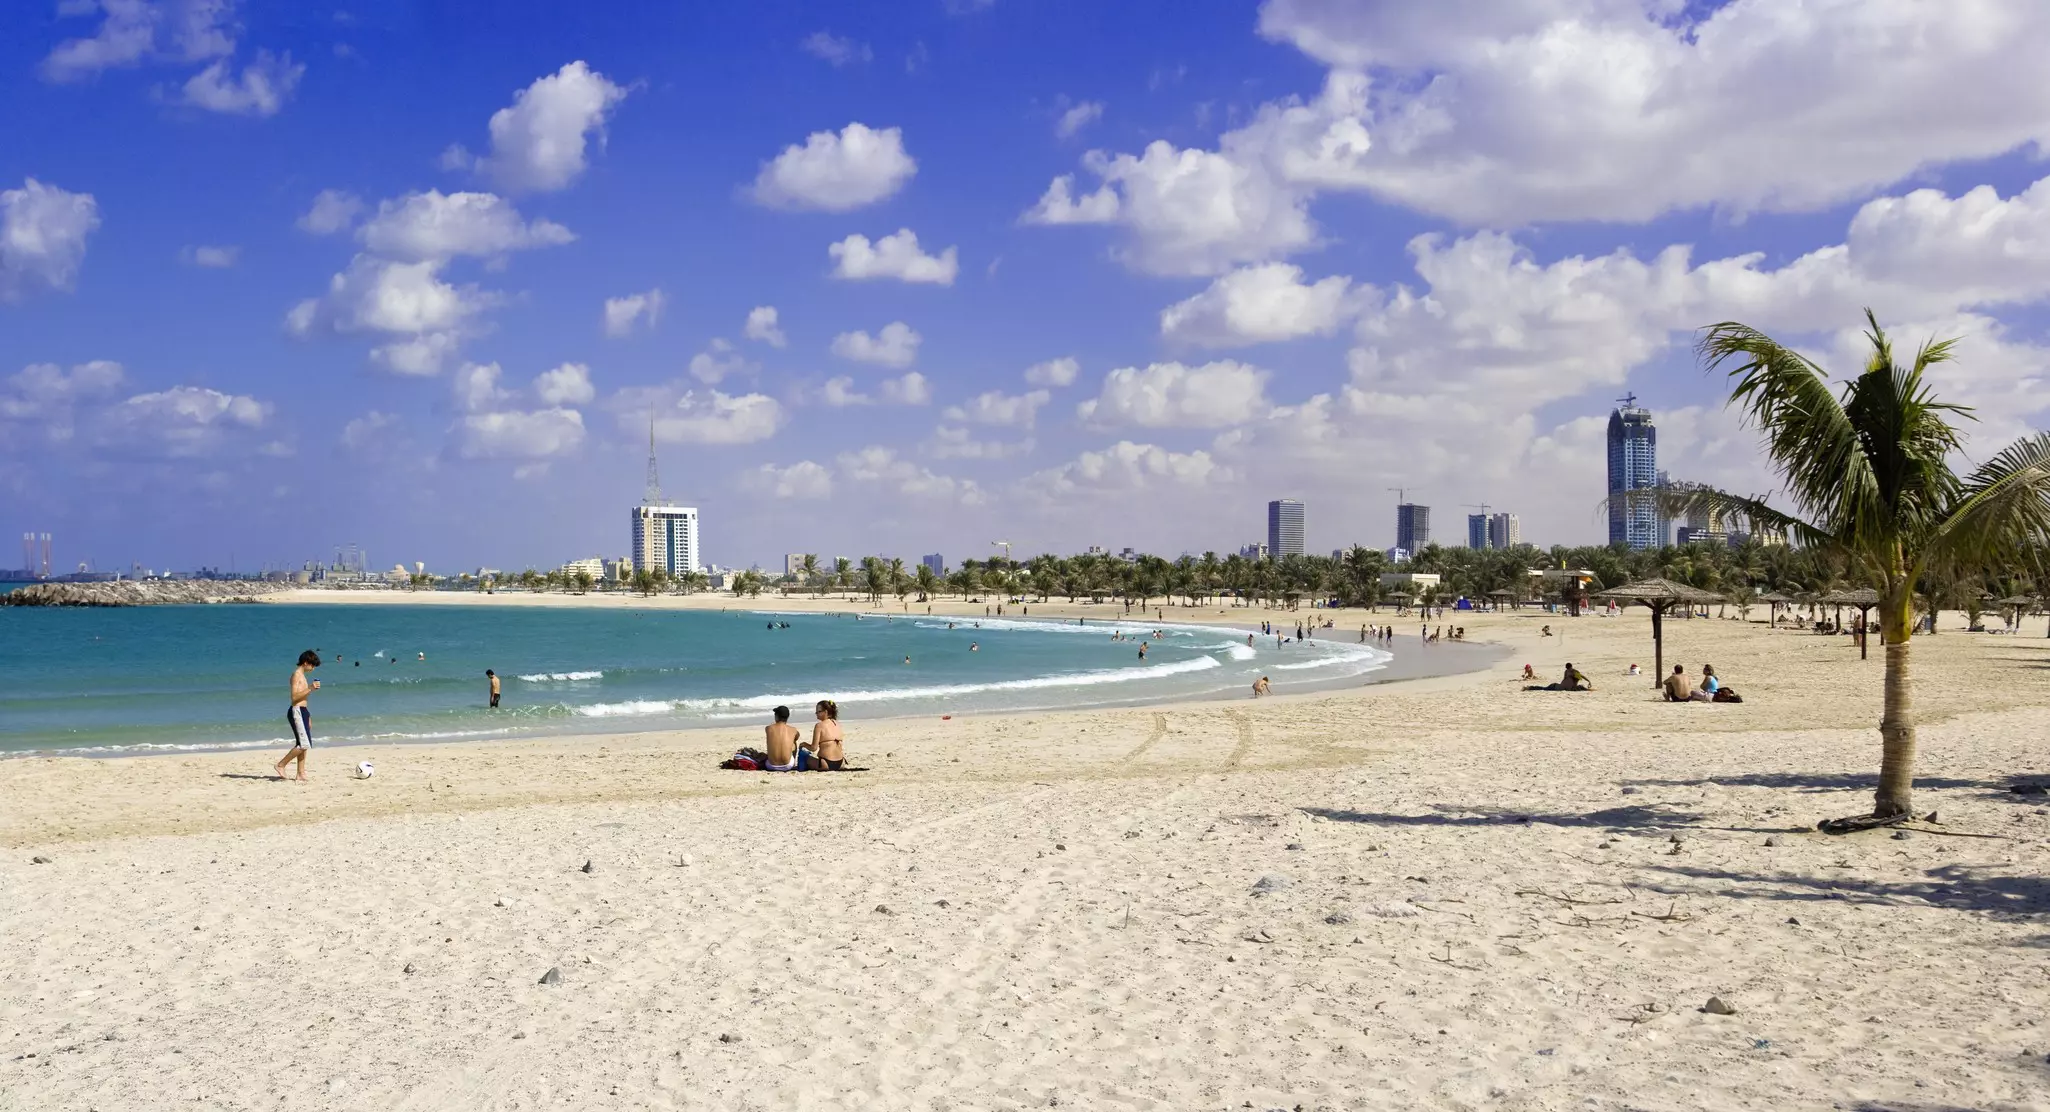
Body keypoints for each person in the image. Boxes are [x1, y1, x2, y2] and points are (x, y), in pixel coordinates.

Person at [274, 650, 321, 781]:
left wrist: (308, 715)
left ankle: (300, 773)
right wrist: (310, 688)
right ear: (306, 662)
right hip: (297, 710)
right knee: (304, 744)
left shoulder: (302, 675)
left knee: (302, 743)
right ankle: (280, 765)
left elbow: (302, 698)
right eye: (312, 665)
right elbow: (294, 697)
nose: (313, 668)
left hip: (303, 711)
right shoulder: (296, 675)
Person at [764, 705, 800, 772]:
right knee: (794, 741)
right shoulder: (793, 730)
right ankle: (793, 761)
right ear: (787, 717)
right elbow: (797, 736)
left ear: (776, 716)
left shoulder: (768, 728)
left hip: (770, 765)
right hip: (788, 766)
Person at [812, 699, 845, 771]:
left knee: (804, 757)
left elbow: (813, 748)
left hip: (826, 763)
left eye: (819, 711)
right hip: (841, 763)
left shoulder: (819, 725)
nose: (816, 713)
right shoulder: (837, 724)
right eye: (816, 712)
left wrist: (804, 744)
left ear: (826, 712)